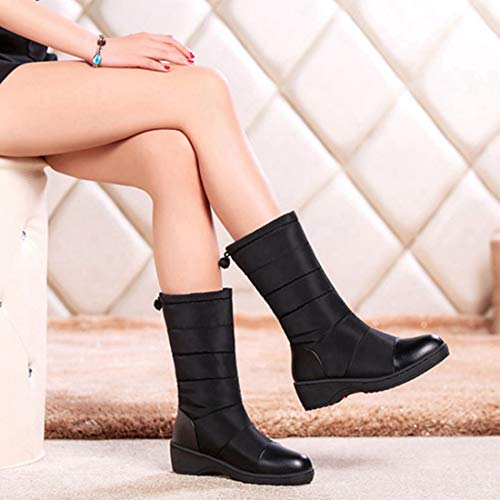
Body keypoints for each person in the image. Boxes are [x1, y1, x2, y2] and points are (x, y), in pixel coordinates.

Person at [0, 0, 449, 487]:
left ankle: (209, 419)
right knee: (203, 89)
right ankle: (322, 332)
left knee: (172, 155)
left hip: (25, 72)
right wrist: (99, 47)